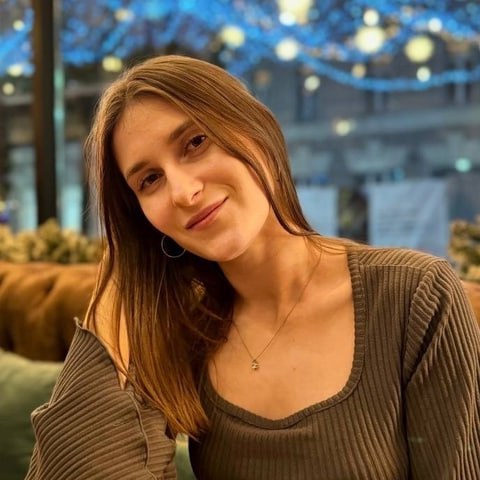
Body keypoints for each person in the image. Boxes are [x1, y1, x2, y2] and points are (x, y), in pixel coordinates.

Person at [26, 55, 479, 480]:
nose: (182, 192)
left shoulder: (415, 295)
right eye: (150, 180)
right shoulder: (181, 328)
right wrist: (127, 264)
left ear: (255, 132)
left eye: (195, 143)